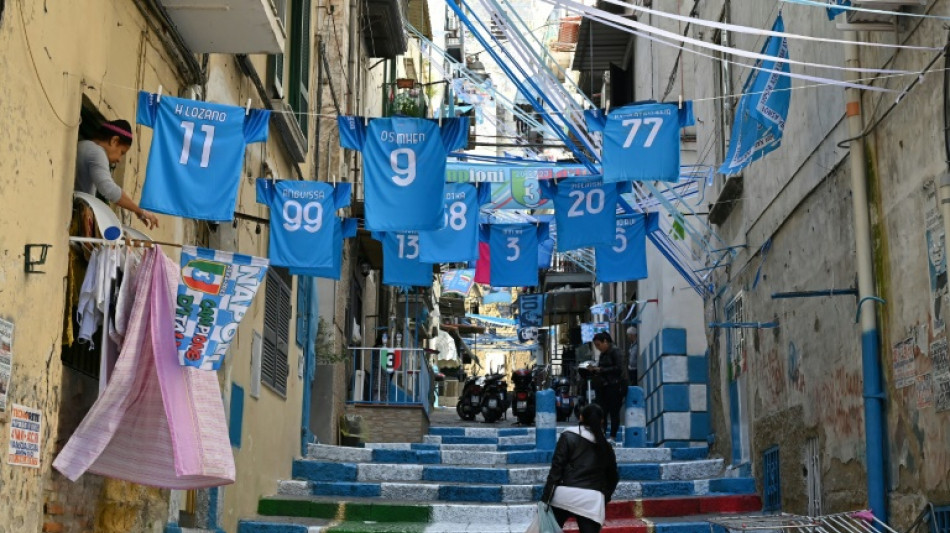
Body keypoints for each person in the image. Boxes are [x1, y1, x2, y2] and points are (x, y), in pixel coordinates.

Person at [540, 403, 619, 533]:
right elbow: (613, 477)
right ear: (602, 421)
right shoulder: (606, 446)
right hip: (591, 499)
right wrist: (603, 498)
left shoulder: (567, 436)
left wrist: (546, 499)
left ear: (581, 418)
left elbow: (556, 470)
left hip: (564, 494)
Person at [75, 119, 159, 229]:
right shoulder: (97, 152)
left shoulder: (84, 145)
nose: (119, 159)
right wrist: (139, 211)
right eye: (121, 152)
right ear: (114, 141)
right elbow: (109, 189)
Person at [591, 332, 626, 443]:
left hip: (615, 386)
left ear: (605, 342)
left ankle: (612, 436)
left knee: (614, 412)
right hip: (603, 386)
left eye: (598, 345)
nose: (598, 348)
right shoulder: (603, 354)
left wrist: (601, 370)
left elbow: (618, 368)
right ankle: (602, 433)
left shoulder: (615, 352)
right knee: (602, 411)